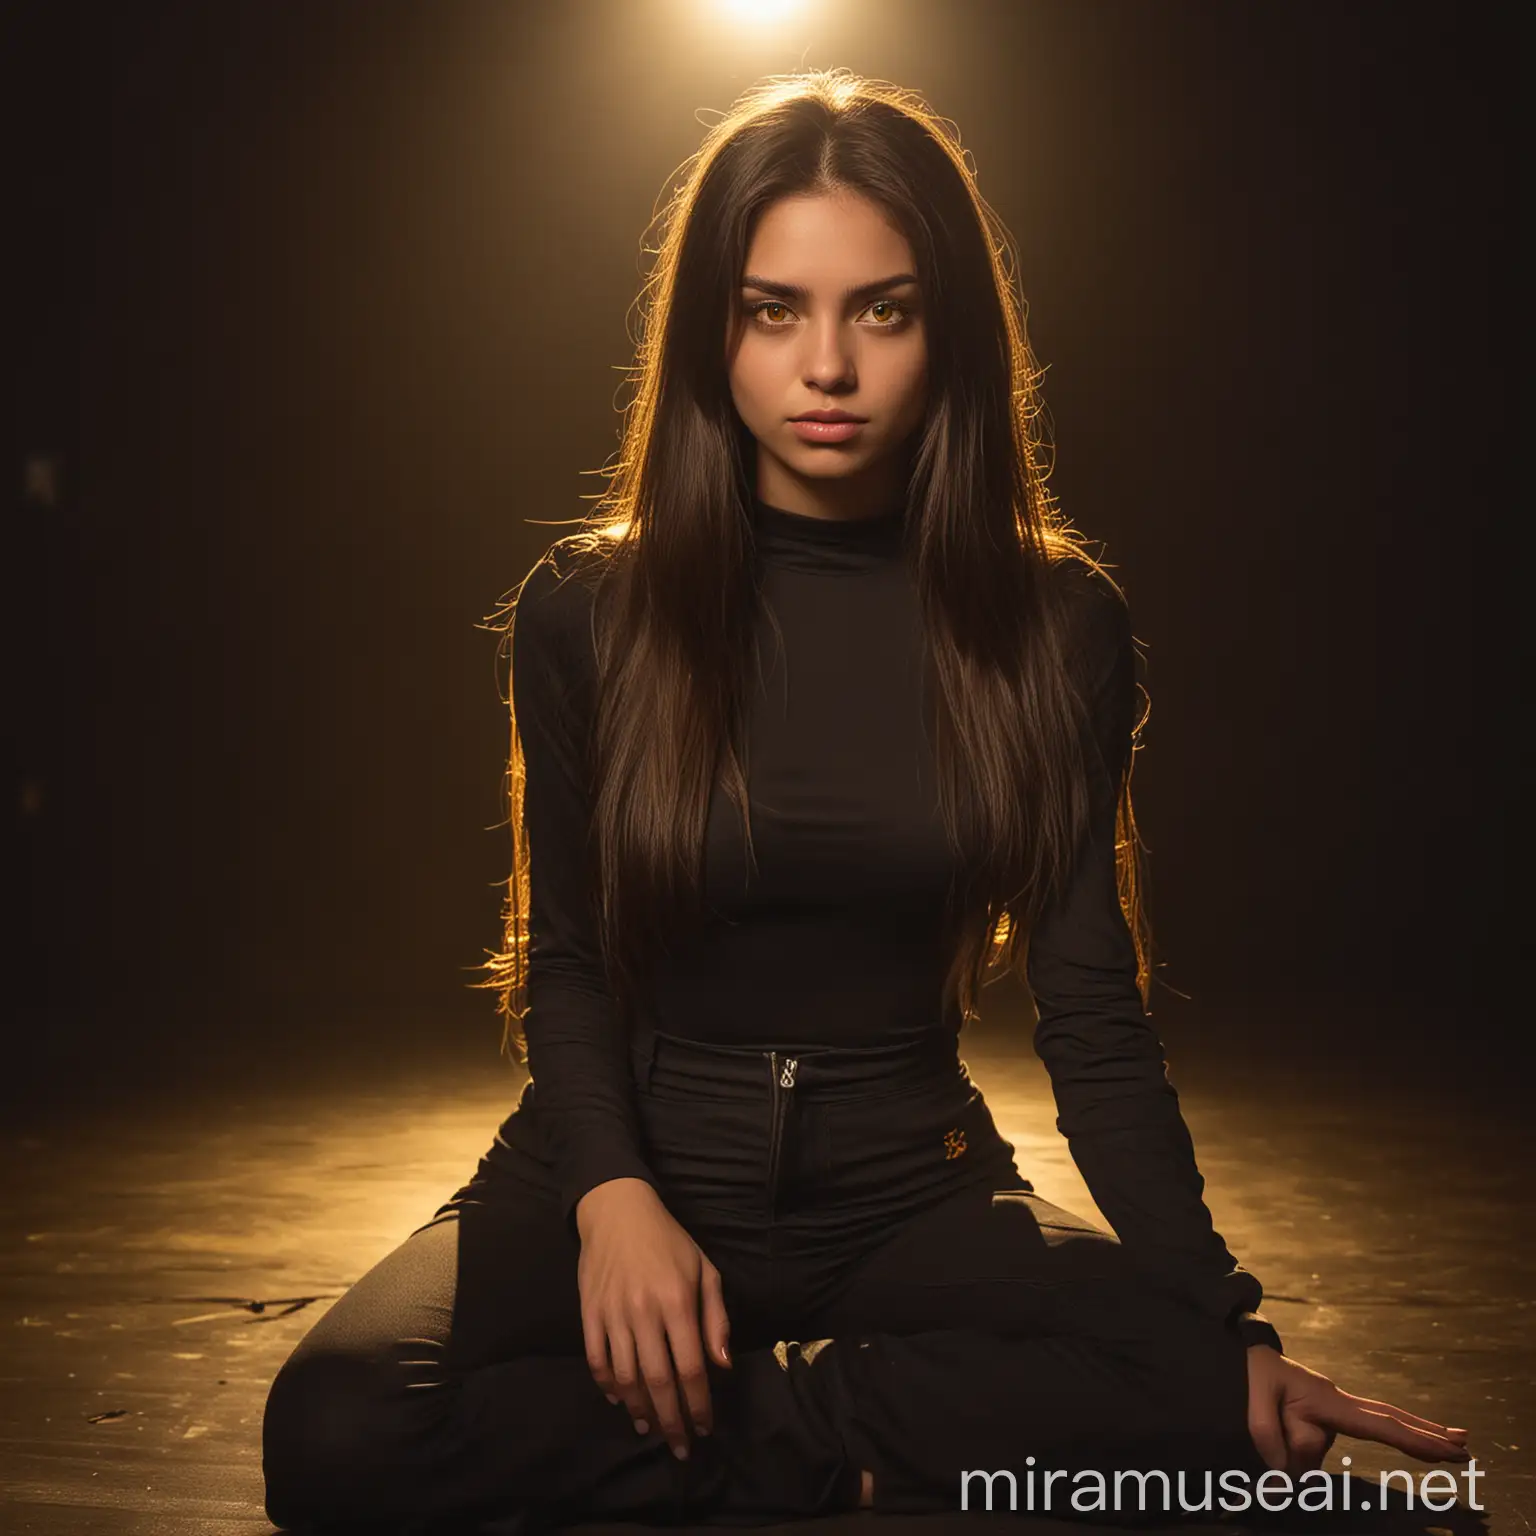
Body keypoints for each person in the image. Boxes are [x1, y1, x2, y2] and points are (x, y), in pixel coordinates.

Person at [261, 69, 1472, 1533]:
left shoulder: (1056, 623)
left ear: (945, 327)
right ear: (716, 329)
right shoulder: (589, 609)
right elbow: (571, 964)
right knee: (337, 1427)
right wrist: (610, 1203)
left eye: (880, 309)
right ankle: (900, 1445)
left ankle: (794, 1432)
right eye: (775, 308)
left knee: (1195, 1380)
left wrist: (1228, 1324)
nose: (824, 364)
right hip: (639, 1151)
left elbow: (1093, 1015)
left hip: (909, 1179)